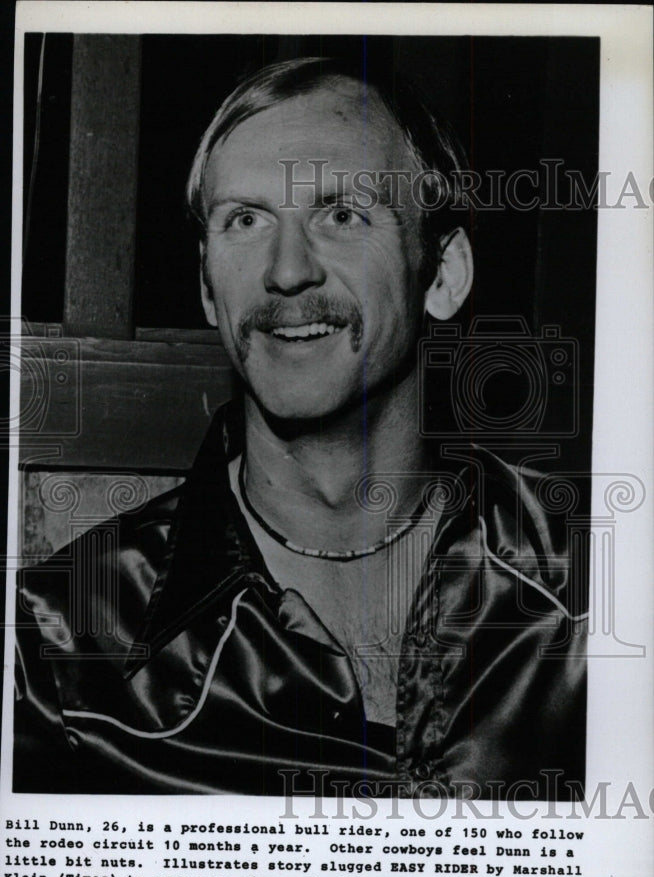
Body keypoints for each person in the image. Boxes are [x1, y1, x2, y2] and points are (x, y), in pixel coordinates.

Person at [14, 57, 587, 798]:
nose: (286, 273)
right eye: (246, 221)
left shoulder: (588, 587)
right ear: (206, 287)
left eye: (342, 214)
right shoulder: (62, 649)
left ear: (441, 274)